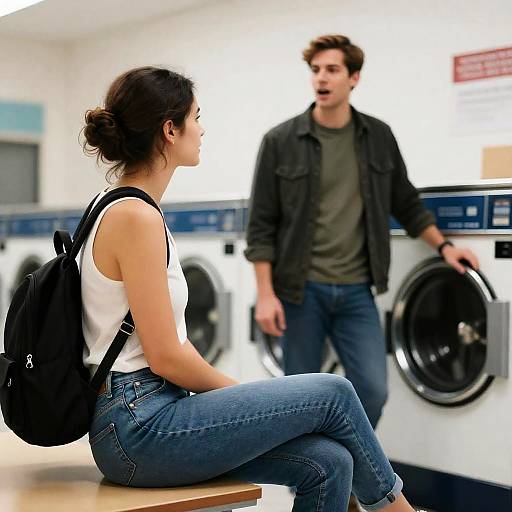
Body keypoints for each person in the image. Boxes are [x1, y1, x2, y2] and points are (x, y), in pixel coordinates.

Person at [80, 66, 420, 512]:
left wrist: (248, 405)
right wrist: (241, 396)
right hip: (137, 427)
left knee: (330, 462)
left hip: (151, 410)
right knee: (334, 392)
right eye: (196, 117)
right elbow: (166, 355)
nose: (202, 129)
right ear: (169, 129)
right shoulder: (134, 216)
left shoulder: (125, 208)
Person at [245, 34, 479, 428]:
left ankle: (343, 469)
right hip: (300, 291)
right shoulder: (280, 141)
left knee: (372, 389)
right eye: (316, 70)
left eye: (332, 70)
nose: (321, 78)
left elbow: (405, 202)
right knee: (298, 396)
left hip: (356, 289)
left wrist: (445, 248)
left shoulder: (378, 137)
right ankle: (317, 480)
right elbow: (261, 224)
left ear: (353, 78)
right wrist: (266, 295)